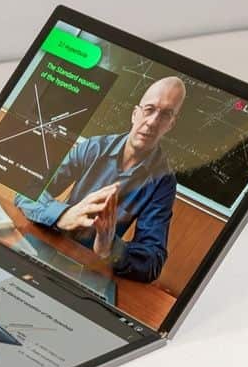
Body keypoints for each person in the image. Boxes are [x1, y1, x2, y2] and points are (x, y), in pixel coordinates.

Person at [14, 76, 187, 283]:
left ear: (171, 125)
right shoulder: (93, 147)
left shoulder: (163, 182)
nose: (152, 122)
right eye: (149, 110)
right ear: (135, 114)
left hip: (92, 269)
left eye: (165, 115)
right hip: (49, 242)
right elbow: (27, 188)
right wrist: (62, 215)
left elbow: (152, 262)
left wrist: (110, 248)